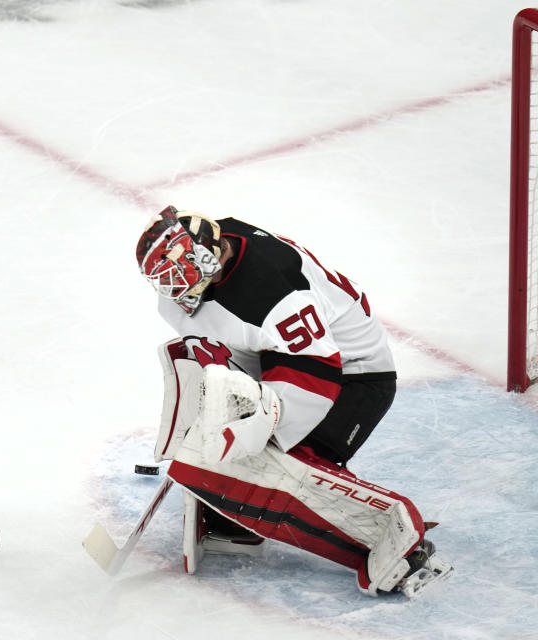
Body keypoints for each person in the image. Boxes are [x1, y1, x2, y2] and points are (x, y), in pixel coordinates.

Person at [135, 205, 453, 598]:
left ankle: (397, 536)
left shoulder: (273, 289)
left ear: (203, 257)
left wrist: (262, 433)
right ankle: (233, 509)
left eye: (177, 277)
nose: (172, 292)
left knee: (275, 466)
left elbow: (317, 371)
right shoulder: (218, 246)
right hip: (277, 358)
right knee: (228, 446)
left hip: (352, 377)